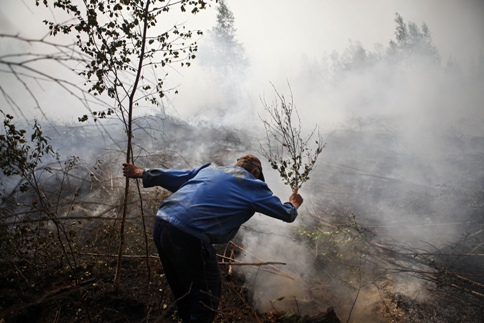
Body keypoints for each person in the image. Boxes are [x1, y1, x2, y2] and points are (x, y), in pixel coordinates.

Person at [123, 154, 303, 322]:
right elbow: (286, 214)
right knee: (207, 296)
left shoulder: (210, 169)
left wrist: (141, 172)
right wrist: (293, 203)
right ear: (255, 172)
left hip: (162, 223)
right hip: (189, 234)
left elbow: (174, 176)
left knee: (183, 289)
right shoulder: (252, 184)